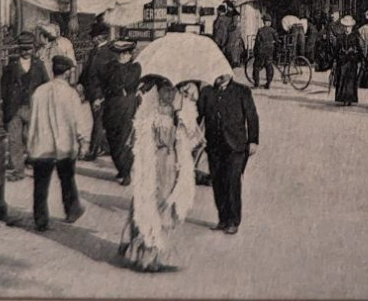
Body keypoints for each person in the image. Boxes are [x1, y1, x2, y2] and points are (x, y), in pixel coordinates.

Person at [120, 78, 199, 271]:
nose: (169, 94)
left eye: (173, 90)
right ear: (157, 90)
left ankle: (157, 255)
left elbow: (194, 140)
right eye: (165, 90)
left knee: (167, 205)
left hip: (171, 164)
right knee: (148, 203)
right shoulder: (149, 110)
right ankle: (144, 255)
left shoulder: (180, 110)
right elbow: (136, 140)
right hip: (153, 163)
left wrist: (184, 124)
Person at [25, 54, 87, 231]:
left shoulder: (39, 92)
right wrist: (83, 140)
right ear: (67, 73)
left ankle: (41, 218)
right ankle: (72, 209)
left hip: (42, 145)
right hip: (64, 146)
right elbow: (78, 121)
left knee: (41, 183)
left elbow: (33, 120)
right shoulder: (70, 94)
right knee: (67, 178)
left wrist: (30, 145)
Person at [198, 70, 259, 234]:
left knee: (232, 181)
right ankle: (223, 219)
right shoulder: (206, 92)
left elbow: (252, 116)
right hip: (214, 145)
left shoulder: (242, 91)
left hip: (236, 145)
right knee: (217, 182)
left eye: (222, 73)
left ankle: (233, 220)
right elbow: (198, 116)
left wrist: (253, 140)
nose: (218, 76)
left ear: (229, 73)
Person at [2, 36, 50, 181]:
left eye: (29, 48)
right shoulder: (12, 65)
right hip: (14, 108)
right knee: (14, 140)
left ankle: (36, 166)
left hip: (32, 107)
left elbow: (46, 85)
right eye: (23, 49)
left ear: (33, 48)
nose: (26, 51)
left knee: (32, 139)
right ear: (19, 49)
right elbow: (3, 85)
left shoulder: (39, 64)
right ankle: (18, 171)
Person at [100, 39, 142, 185]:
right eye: (119, 53)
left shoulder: (135, 68)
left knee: (124, 141)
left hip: (127, 107)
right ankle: (120, 167)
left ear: (130, 55)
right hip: (111, 107)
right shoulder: (109, 68)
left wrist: (138, 90)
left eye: (125, 53)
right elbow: (103, 85)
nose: (122, 56)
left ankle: (126, 172)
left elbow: (136, 82)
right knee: (113, 141)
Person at [78, 26, 118, 162]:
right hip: (92, 93)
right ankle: (105, 148)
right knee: (99, 121)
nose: (92, 39)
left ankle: (94, 151)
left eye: (93, 36)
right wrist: (80, 84)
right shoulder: (94, 51)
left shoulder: (110, 53)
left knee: (98, 122)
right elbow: (87, 70)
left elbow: (108, 78)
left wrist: (100, 97)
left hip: (101, 95)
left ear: (101, 37)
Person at [331, 15, 364, 106]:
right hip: (341, 62)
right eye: (345, 26)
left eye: (348, 27)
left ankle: (350, 98)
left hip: (352, 61)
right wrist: (334, 60)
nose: (347, 29)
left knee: (350, 81)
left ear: (352, 27)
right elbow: (336, 50)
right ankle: (342, 98)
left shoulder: (355, 37)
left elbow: (360, 50)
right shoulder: (340, 37)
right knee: (342, 79)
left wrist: (357, 57)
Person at [250, 13, 279, 90]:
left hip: (261, 51)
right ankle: (268, 83)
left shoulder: (260, 30)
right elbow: (277, 41)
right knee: (268, 67)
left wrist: (254, 51)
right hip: (270, 51)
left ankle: (256, 83)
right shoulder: (273, 31)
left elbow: (257, 42)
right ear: (270, 22)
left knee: (256, 66)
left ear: (264, 22)